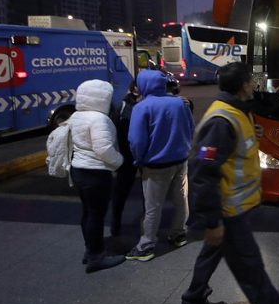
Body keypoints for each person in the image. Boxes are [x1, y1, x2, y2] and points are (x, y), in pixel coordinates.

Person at [180, 62, 279, 304]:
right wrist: (213, 221)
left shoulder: (238, 112)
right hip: (228, 212)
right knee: (251, 269)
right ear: (243, 85)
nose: (254, 85)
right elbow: (202, 173)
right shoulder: (222, 121)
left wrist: (254, 135)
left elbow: (233, 151)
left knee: (211, 254)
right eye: (251, 81)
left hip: (232, 208)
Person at [126, 70, 195, 262]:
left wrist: (139, 160)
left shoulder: (142, 107)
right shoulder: (180, 103)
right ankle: (179, 234)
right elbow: (191, 129)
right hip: (180, 161)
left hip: (155, 165)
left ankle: (146, 246)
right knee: (181, 198)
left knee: (153, 206)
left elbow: (137, 141)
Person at [68, 79, 125, 273]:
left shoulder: (77, 115)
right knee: (96, 215)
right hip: (96, 173)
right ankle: (96, 257)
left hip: (78, 170)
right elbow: (104, 149)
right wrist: (119, 161)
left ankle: (89, 249)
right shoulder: (99, 119)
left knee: (87, 212)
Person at [110, 82, 140, 237]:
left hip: (138, 155)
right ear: (134, 89)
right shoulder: (125, 105)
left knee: (146, 193)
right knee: (121, 191)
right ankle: (115, 224)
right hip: (127, 155)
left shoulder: (142, 103)